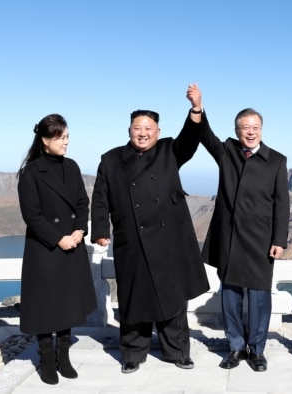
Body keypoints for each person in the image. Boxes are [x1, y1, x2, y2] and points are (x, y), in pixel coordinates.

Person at [90, 87, 210, 374]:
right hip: (131, 239)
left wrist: (196, 109)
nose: (142, 133)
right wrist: (100, 230)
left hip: (169, 241)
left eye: (148, 128)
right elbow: (100, 196)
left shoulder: (170, 150)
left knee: (173, 298)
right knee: (133, 297)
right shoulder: (111, 159)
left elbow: (190, 139)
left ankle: (178, 352)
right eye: (137, 128)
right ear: (129, 130)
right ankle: (132, 353)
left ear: (158, 131)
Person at [194, 84, 290, 372]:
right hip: (231, 239)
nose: (251, 132)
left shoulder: (276, 160)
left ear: (262, 129)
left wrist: (279, 240)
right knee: (231, 297)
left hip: (261, 241)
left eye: (255, 127)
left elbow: (282, 204)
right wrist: (198, 107)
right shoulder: (227, 152)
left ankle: (257, 350)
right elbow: (204, 134)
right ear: (237, 131)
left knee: (260, 299)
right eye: (245, 127)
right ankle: (235, 347)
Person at [17, 114, 98, 385]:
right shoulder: (31, 172)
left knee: (67, 303)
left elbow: (81, 203)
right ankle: (47, 358)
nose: (66, 142)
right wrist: (58, 238)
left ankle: (63, 356)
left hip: (71, 244)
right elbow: (32, 215)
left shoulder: (71, 167)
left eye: (67, 137)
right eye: (61, 137)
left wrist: (78, 230)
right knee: (44, 306)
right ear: (45, 140)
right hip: (45, 248)